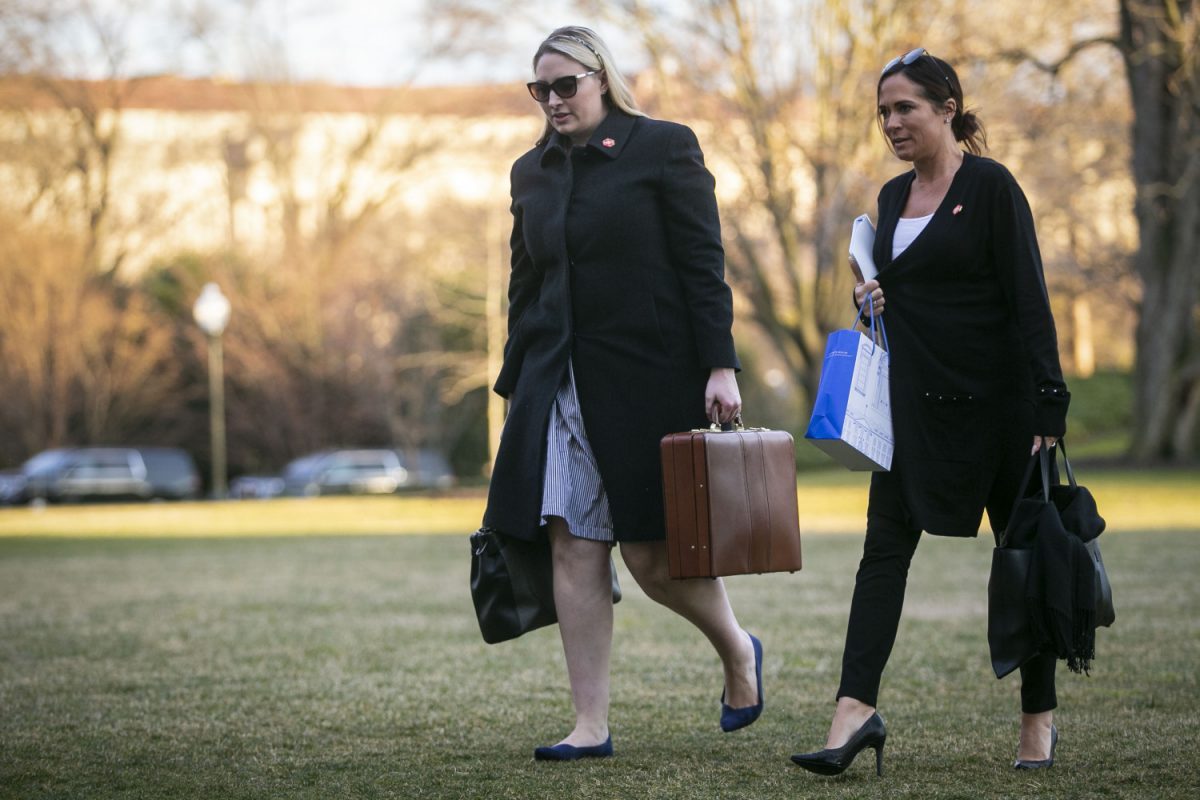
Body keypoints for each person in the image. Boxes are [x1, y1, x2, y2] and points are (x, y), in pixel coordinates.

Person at [482, 26, 764, 761]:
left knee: (650, 559)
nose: (552, 101)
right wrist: (519, 385)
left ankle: (737, 649)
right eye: (538, 90)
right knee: (572, 547)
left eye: (565, 85)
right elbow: (526, 284)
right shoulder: (529, 172)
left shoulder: (665, 148)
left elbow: (703, 265)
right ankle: (590, 725)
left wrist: (720, 365)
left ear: (601, 77)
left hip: (647, 378)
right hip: (558, 382)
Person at [790, 48, 1070, 777]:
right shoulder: (889, 198)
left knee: (1022, 559)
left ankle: (1037, 722)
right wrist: (870, 298)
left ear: (948, 109)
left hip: (999, 409)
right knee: (881, 554)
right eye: (883, 111)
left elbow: (1029, 301)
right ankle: (853, 712)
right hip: (913, 411)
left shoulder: (992, 187)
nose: (891, 122)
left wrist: (1049, 407)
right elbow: (903, 292)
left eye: (905, 107)